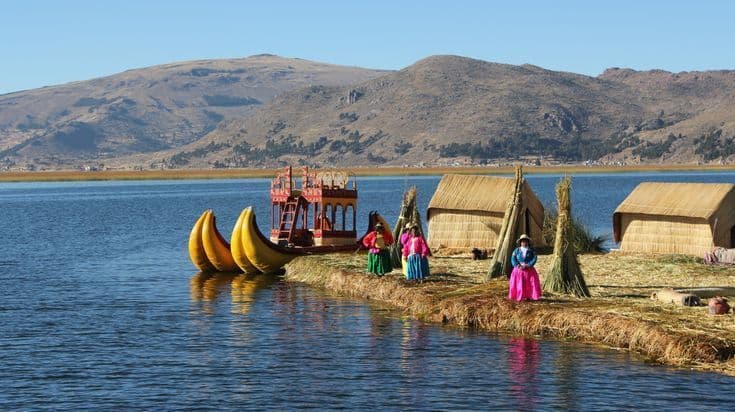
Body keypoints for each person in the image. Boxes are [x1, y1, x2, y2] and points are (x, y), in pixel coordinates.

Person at [508, 234, 541, 301]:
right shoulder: (516, 250)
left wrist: (528, 265)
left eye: (525, 241)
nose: (524, 243)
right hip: (518, 270)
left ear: (528, 242)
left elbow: (534, 258)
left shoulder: (531, 250)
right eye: (522, 241)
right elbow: (513, 259)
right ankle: (519, 295)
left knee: (529, 283)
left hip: (529, 270)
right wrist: (518, 265)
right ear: (520, 242)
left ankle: (529, 296)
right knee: (519, 283)